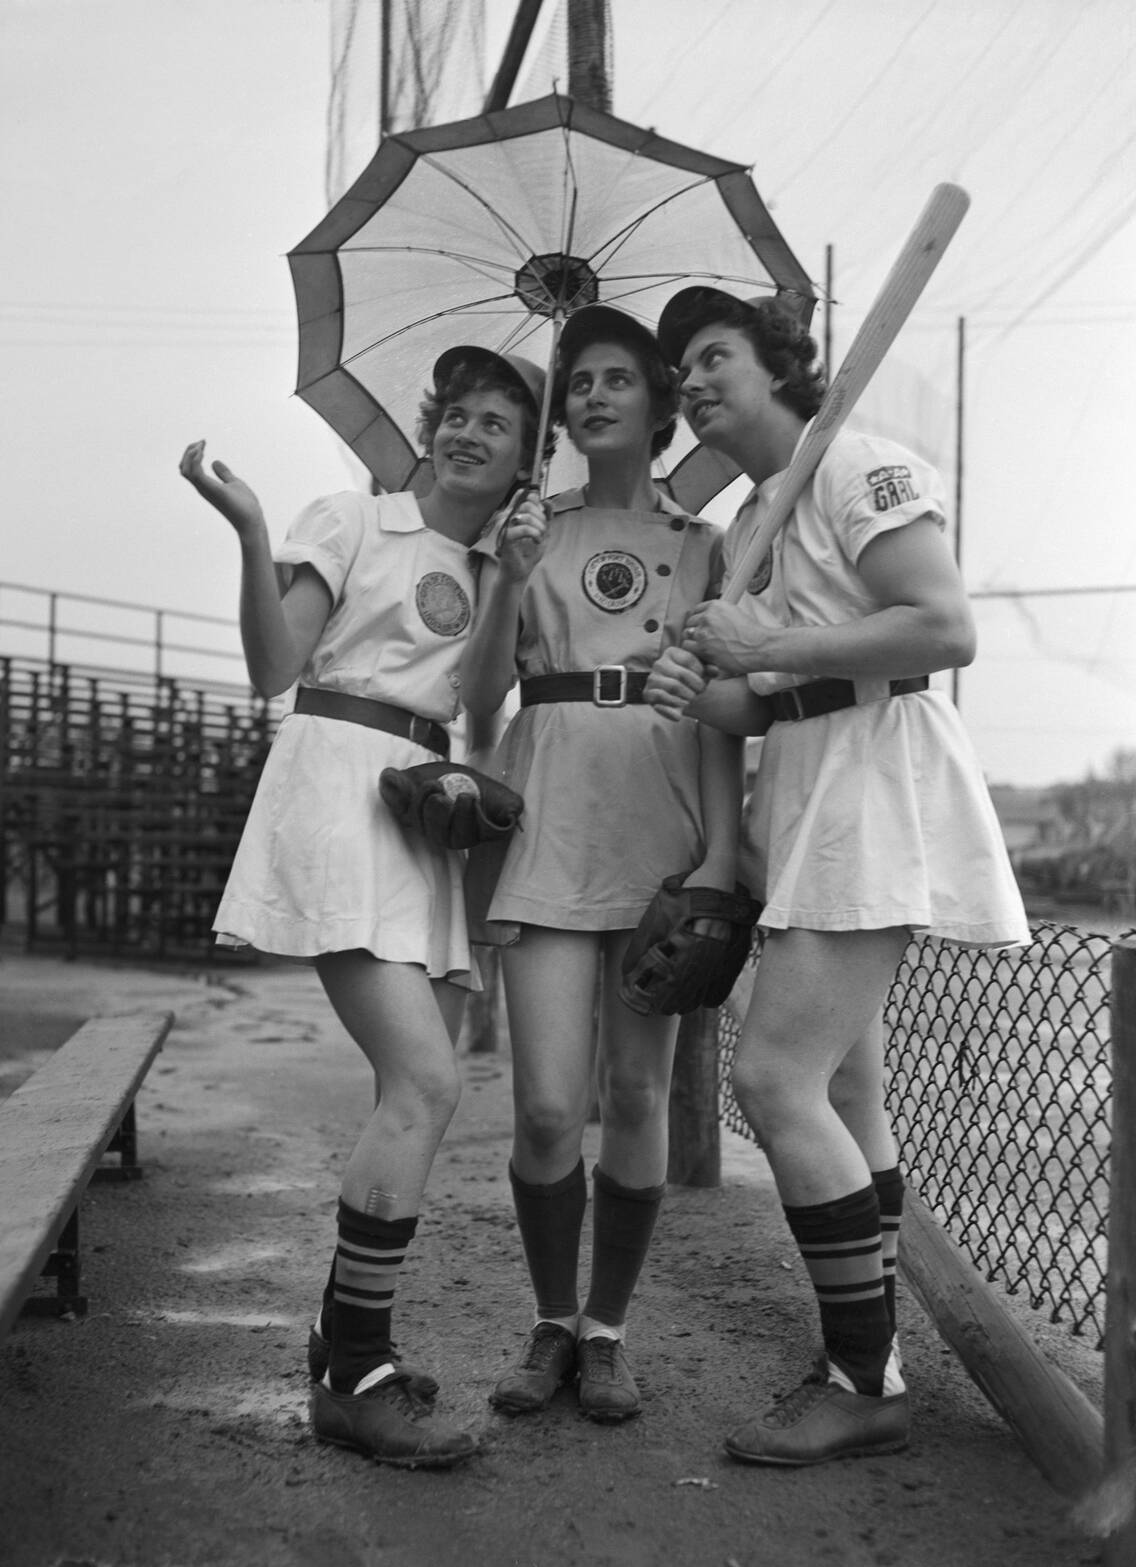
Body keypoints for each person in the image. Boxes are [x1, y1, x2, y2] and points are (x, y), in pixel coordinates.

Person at [644, 287, 1029, 1466]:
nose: (694, 383)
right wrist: (701, 687)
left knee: (773, 1075)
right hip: (808, 785)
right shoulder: (756, 513)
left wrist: (772, 648)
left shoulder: (855, 463)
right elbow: (761, 695)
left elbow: (944, 627)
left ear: (778, 364)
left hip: (878, 779)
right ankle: (872, 1357)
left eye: (714, 356)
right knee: (851, 1097)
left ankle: (865, 1379)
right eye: (683, 372)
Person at [178, 342, 545, 1470]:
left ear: (526, 463)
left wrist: (516, 580)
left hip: (421, 814)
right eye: (461, 412)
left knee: (418, 1085)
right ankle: (352, 1374)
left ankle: (347, 1341)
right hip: (338, 791)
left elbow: (482, 707)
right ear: (432, 424)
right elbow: (272, 666)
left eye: (501, 424)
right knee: (426, 1082)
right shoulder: (349, 518)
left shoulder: (493, 567)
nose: (471, 432)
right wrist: (249, 532)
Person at [458, 304, 746, 1422]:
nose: (592, 394)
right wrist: (507, 575)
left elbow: (720, 713)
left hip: (656, 831)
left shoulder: (708, 543)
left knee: (636, 1092)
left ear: (659, 401)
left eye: (618, 376)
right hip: (545, 819)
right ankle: (548, 1324)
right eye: (577, 379)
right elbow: (481, 699)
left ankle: (609, 1330)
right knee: (542, 1108)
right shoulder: (529, 529)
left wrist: (720, 855)